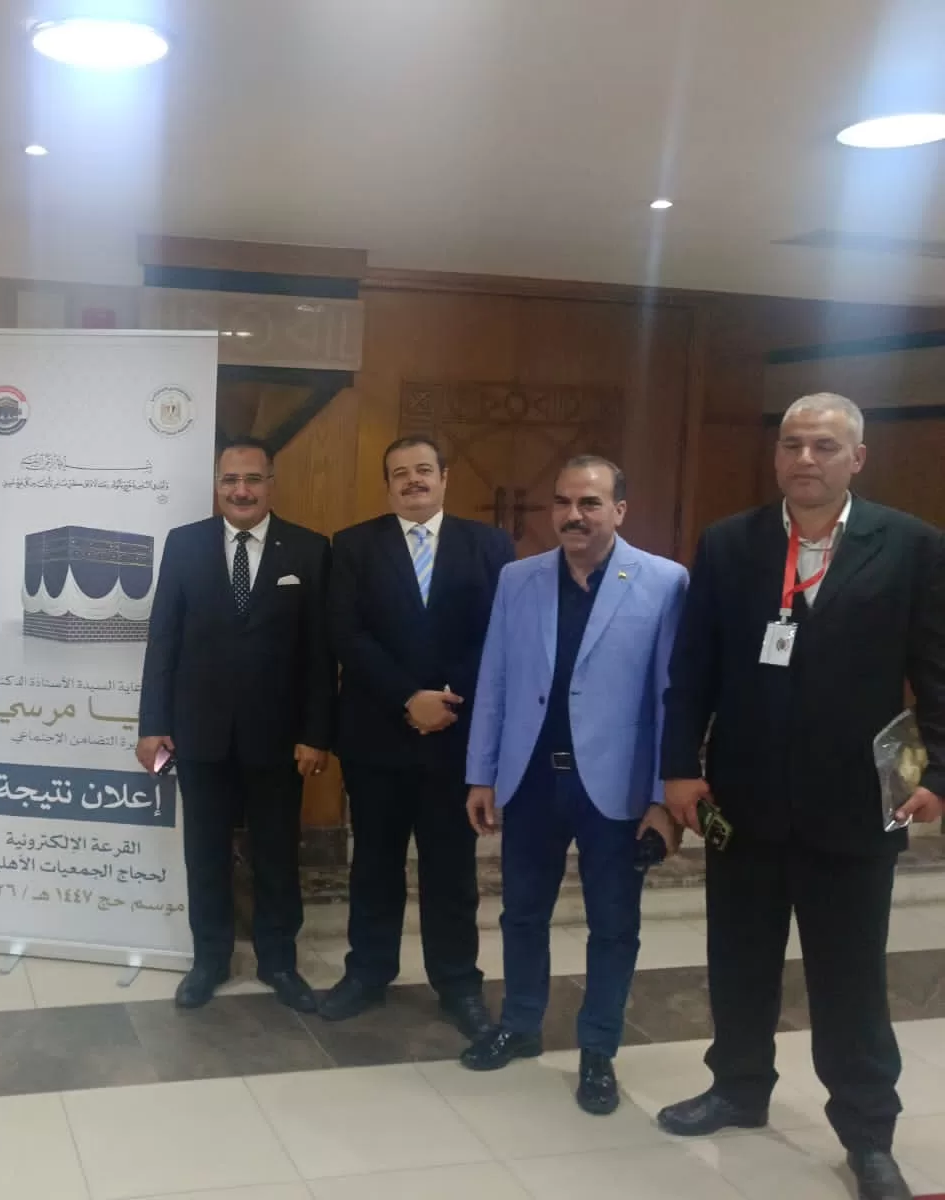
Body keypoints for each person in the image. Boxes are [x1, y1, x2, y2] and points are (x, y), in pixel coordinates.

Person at [657, 393, 945, 1200]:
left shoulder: (911, 545)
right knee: (737, 959)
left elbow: (937, 674)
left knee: (849, 978)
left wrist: (936, 776)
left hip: (854, 804)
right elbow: (693, 668)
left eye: (823, 445)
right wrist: (677, 767)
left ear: (857, 458)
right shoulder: (729, 543)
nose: (805, 459)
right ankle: (737, 1087)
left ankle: (867, 1133)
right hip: (742, 798)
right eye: (791, 444)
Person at [461, 457, 685, 1114]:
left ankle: (597, 1049)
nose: (572, 515)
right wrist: (481, 773)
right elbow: (495, 679)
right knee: (521, 912)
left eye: (589, 502)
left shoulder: (664, 581)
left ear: (619, 510)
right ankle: (520, 1023)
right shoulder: (518, 578)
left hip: (615, 786)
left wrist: (661, 798)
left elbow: (672, 698)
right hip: (530, 776)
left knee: (612, 925)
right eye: (562, 502)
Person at [318, 435, 511, 1035]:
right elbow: (346, 634)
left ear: (445, 477)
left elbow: (501, 633)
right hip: (378, 734)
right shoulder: (354, 545)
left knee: (451, 870)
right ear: (388, 485)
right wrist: (408, 697)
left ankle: (458, 983)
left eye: (424, 469)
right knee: (374, 865)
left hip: (456, 736)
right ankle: (367, 973)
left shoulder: (489, 545)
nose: (413, 481)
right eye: (400, 473)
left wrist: (445, 697)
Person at [136, 437, 333, 1011]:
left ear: (271, 483)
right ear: (217, 485)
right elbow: (163, 640)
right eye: (230, 480)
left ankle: (279, 962)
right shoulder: (185, 544)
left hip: (280, 737)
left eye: (252, 479)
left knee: (277, 853)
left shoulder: (309, 549)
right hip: (198, 733)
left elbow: (321, 653)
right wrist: (153, 723)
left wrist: (316, 733)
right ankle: (210, 961)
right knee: (205, 853)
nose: (241, 490)